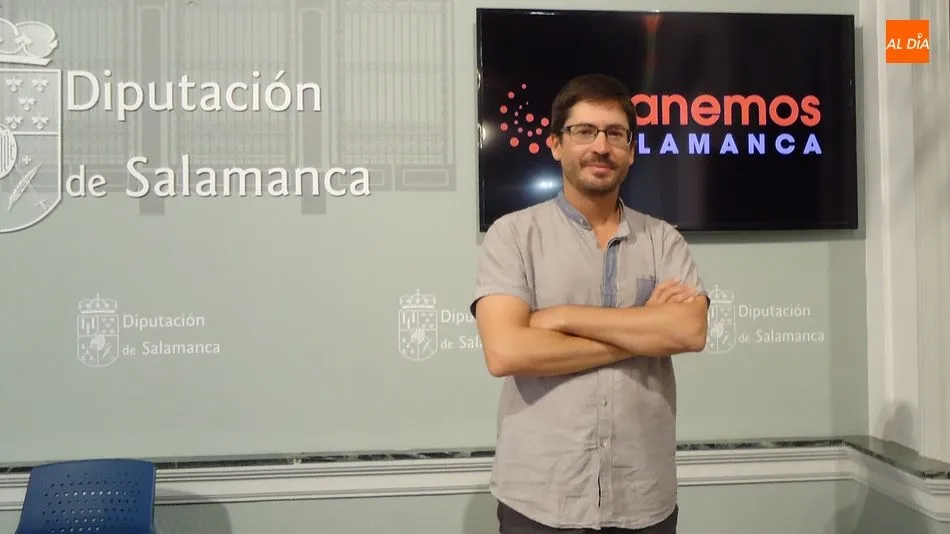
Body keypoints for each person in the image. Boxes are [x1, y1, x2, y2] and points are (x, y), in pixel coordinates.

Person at [470, 73, 709, 533]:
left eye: (616, 134)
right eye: (584, 131)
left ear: (631, 150)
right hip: (540, 497)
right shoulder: (513, 235)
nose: (601, 146)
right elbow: (507, 352)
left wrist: (559, 317)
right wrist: (643, 329)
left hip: (642, 496)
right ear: (556, 144)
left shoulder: (663, 240)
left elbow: (690, 331)